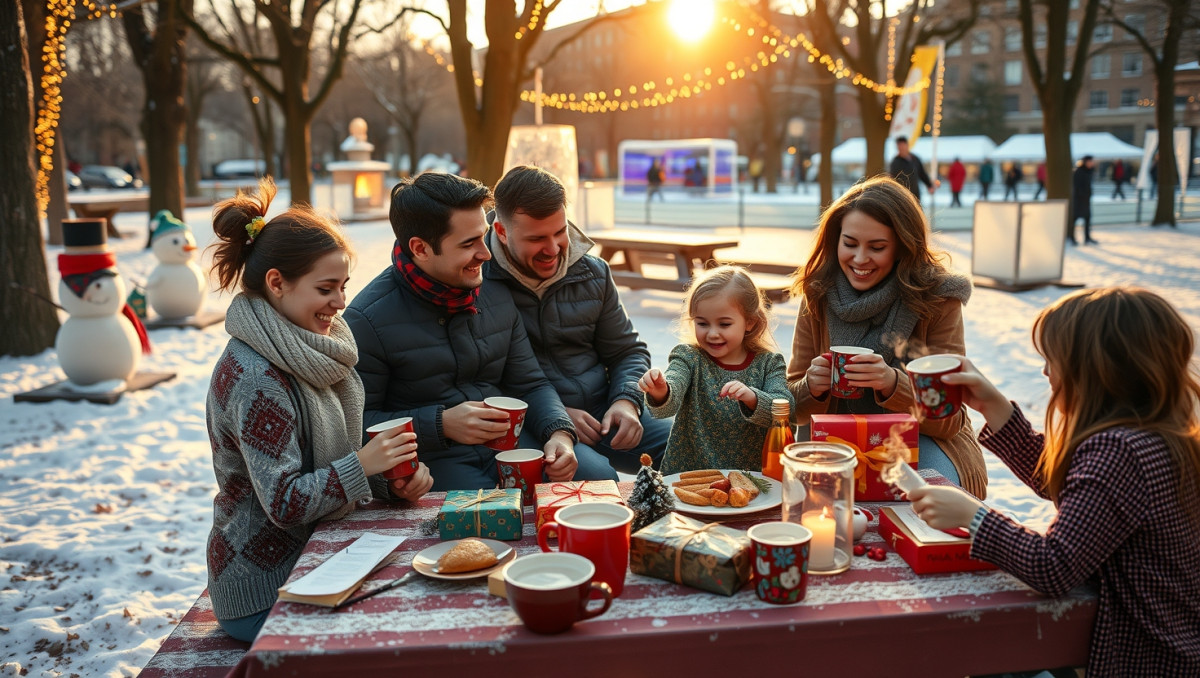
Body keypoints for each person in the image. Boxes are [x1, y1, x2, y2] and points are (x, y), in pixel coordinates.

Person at [907, 287, 1200, 677]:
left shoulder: (1119, 452)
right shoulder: (1160, 436)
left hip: (1139, 658)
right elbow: (1072, 484)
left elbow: (1053, 567)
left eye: (1053, 360)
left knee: (982, 655)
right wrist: (994, 406)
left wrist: (975, 516)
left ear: (1094, 372)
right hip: (1175, 650)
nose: (1045, 372)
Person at [204, 178, 433, 642]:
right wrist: (363, 464)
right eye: (326, 288)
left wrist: (389, 481)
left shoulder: (316, 350)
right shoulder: (256, 376)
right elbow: (285, 503)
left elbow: (324, 464)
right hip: (264, 589)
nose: (341, 303)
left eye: (343, 287)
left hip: (326, 561)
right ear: (277, 283)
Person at [345, 171, 598, 491]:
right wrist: (440, 424)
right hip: (433, 462)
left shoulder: (494, 288)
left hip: (514, 445)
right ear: (420, 248)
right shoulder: (366, 319)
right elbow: (354, 426)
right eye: (468, 244)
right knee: (491, 516)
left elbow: (531, 383)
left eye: (483, 236)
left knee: (598, 479)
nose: (486, 254)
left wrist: (559, 433)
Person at [786, 176, 987, 498]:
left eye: (877, 247)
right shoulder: (819, 292)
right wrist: (811, 386)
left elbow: (949, 420)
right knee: (811, 505)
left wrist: (893, 384)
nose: (860, 259)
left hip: (920, 437)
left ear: (902, 247)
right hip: (833, 435)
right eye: (850, 243)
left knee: (932, 500)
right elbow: (792, 408)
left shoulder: (938, 298)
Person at [485, 165, 670, 474]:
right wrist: (556, 417)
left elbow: (627, 351)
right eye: (537, 238)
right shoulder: (477, 283)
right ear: (502, 232)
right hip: (532, 422)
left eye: (560, 232)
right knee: (597, 478)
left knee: (688, 445)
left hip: (603, 409)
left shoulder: (594, 272)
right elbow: (480, 381)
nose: (553, 248)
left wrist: (626, 401)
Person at [639, 265, 794, 474]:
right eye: (702, 324)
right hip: (690, 476)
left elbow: (785, 409)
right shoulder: (688, 357)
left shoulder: (769, 363)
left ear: (750, 322)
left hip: (753, 478)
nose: (712, 333)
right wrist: (661, 391)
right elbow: (668, 402)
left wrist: (752, 398)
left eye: (724, 324)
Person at [888, 136, 937, 204]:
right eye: (899, 147)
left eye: (903, 146)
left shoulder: (915, 159)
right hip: (902, 196)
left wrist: (929, 185)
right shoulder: (895, 162)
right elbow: (892, 178)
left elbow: (922, 173)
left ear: (907, 145)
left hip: (915, 194)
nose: (901, 148)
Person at [1070, 155, 1097, 245]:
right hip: (1078, 201)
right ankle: (1072, 238)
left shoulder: (1089, 171)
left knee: (1087, 219)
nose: (1092, 163)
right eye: (1090, 161)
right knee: (1075, 219)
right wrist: (1083, 195)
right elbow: (1077, 187)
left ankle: (1087, 238)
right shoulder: (1079, 172)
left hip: (1086, 200)